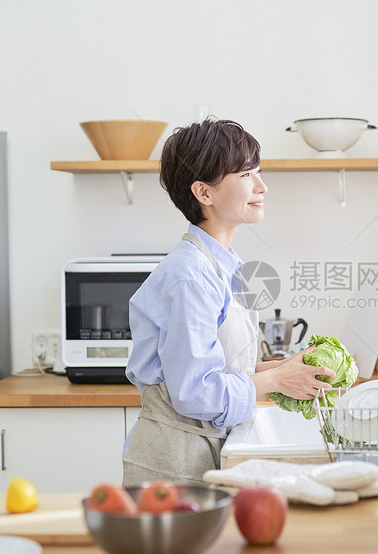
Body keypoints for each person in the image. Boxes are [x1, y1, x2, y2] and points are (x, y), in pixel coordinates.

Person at [122, 118, 334, 486]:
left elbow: (220, 365)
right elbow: (194, 391)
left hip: (199, 450)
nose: (262, 186)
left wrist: (282, 367)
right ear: (204, 193)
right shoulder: (190, 277)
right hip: (172, 464)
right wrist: (278, 380)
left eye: (258, 171)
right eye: (245, 175)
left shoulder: (218, 265)